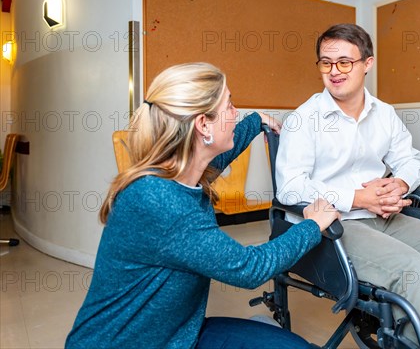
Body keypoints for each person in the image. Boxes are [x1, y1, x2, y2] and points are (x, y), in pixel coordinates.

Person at [66, 62, 340, 349]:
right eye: (230, 105)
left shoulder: (180, 171)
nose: (236, 113)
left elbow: (221, 155)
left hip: (179, 334)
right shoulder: (160, 201)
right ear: (203, 125)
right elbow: (250, 269)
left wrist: (256, 120)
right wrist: (312, 225)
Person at [276, 24, 420, 348]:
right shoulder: (303, 120)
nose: (334, 71)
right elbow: (289, 188)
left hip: (385, 217)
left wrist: (399, 183)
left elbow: (413, 162)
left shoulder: (384, 114)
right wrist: (359, 197)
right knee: (410, 268)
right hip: (334, 224)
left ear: (367, 64)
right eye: (326, 63)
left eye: (345, 62)